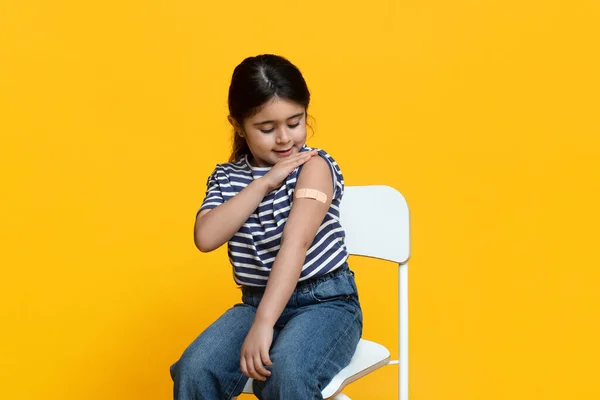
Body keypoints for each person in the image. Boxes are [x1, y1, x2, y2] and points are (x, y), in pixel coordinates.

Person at [170, 54, 362, 400]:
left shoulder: (314, 166)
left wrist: (263, 324)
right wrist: (263, 183)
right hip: (256, 303)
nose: (285, 139)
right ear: (238, 125)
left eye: (295, 122)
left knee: (286, 373)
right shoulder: (228, 178)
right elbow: (206, 237)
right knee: (195, 369)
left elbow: (296, 243)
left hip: (324, 303)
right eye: (267, 129)